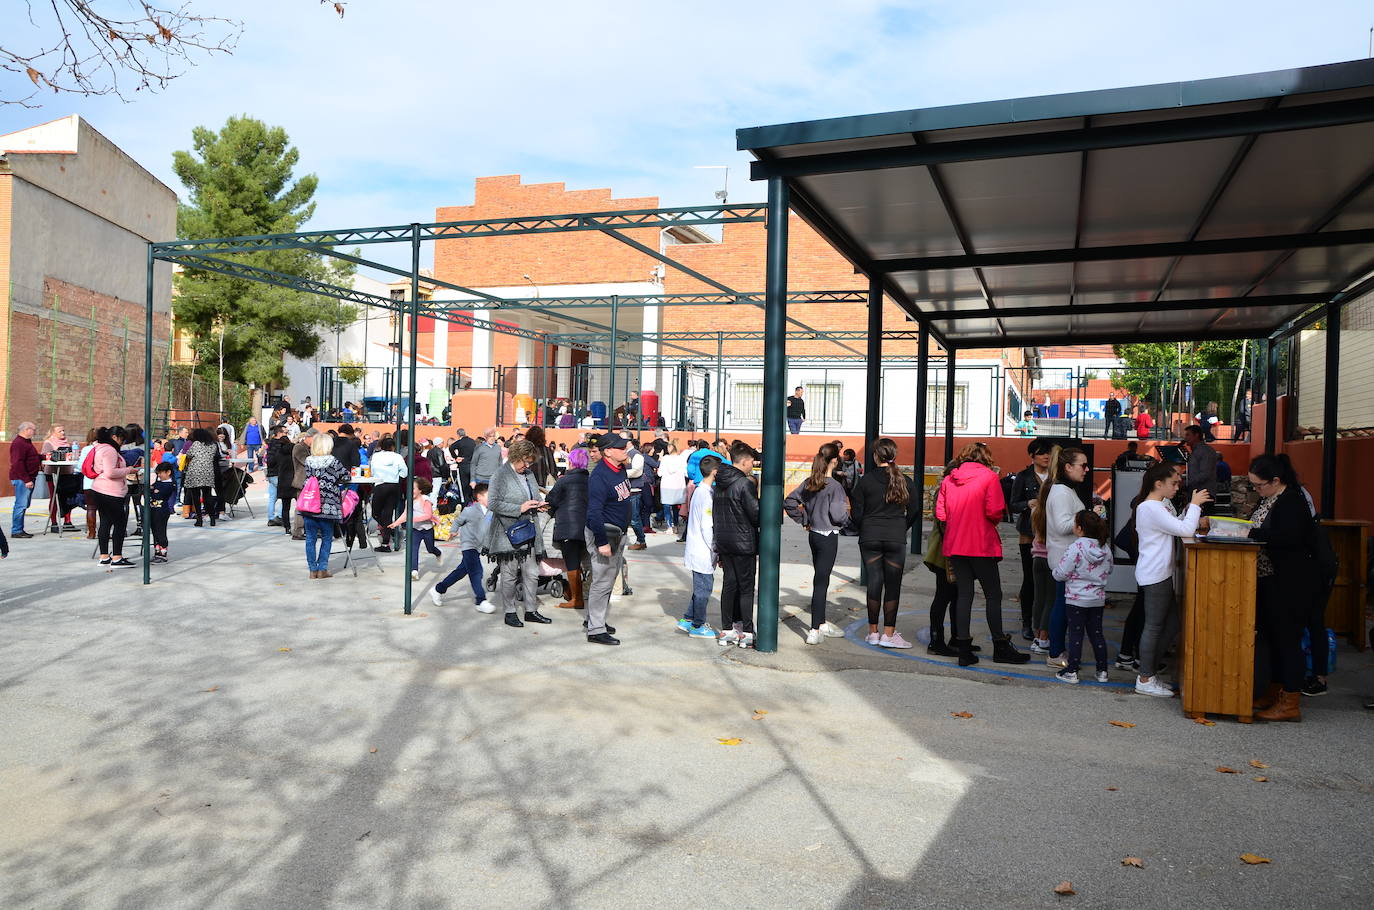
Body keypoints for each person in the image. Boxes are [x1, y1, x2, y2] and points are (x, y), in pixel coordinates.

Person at [937, 442, 1028, 665]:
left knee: (964, 595)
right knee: (993, 594)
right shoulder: (989, 478)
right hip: (981, 543)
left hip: (956, 543)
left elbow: (941, 513)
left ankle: (963, 648)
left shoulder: (949, 479)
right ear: (985, 457)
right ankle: (1000, 645)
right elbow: (995, 511)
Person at [1246, 454, 1320, 722]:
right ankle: (1275, 690)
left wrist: (1249, 533)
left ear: (1276, 480)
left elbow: (1288, 538)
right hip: (1268, 578)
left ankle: (1290, 699)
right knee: (1272, 636)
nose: (1256, 490)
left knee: (1288, 639)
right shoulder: (1270, 498)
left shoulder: (1292, 501)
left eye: (1259, 485)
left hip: (1290, 581)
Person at [1133, 461, 1209, 697]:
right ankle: (1145, 677)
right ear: (1159, 483)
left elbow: (1178, 525)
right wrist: (1195, 506)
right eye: (1173, 483)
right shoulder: (1150, 508)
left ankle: (1149, 674)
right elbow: (1185, 530)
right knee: (1154, 627)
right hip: (1155, 575)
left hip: (1159, 573)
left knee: (1171, 624)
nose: (1177, 487)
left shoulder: (1159, 505)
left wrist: (1189, 509)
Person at [784, 442, 851, 646]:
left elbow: (789, 502)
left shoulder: (810, 482)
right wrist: (847, 516)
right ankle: (814, 628)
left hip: (814, 534)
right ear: (833, 461)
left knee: (821, 578)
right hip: (829, 534)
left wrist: (805, 519)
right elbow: (838, 516)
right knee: (821, 582)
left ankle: (820, 623)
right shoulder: (835, 486)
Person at [483, 438, 552, 629]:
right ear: (515, 457)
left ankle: (531, 610)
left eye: (530, 461)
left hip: (529, 531)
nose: (527, 465)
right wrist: (519, 507)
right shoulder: (500, 475)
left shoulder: (529, 474)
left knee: (532, 573)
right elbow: (493, 504)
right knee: (509, 574)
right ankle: (510, 612)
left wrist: (538, 505)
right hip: (508, 533)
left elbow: (535, 496)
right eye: (525, 461)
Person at [1034, 446, 1090, 669]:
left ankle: (1057, 649)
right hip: (1064, 558)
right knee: (1061, 606)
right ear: (1068, 467)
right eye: (1082, 465)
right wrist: (1087, 517)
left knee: (1063, 605)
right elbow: (1062, 525)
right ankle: (1055, 651)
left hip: (1068, 557)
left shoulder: (1065, 491)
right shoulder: (1060, 492)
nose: (1086, 470)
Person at [1051, 510, 1114, 684]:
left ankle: (1072, 671)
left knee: (1076, 635)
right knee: (1097, 634)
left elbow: (1062, 572)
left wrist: (1055, 573)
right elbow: (1110, 569)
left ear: (1079, 528)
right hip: (1097, 598)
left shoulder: (1076, 547)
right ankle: (1102, 671)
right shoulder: (1104, 547)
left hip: (1076, 599)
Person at [584, 433, 634, 645]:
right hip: (604, 534)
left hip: (618, 533)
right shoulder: (599, 476)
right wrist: (602, 542)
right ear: (608, 452)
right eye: (621, 447)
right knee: (602, 582)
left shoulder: (619, 467)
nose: (626, 450)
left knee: (609, 579)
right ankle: (595, 630)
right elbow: (593, 513)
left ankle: (596, 620)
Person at [712, 441, 761, 649]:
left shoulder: (721, 483)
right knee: (746, 587)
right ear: (745, 461)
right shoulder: (744, 484)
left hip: (725, 540)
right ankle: (747, 632)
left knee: (729, 585)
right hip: (743, 542)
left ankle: (727, 629)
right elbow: (756, 514)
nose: (753, 465)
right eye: (752, 461)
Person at [1009, 439, 1052, 640]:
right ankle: (1027, 622)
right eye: (1042, 453)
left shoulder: (1056, 477)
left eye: (1048, 453)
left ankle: (1044, 623)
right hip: (1029, 534)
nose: (1046, 456)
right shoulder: (1024, 476)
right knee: (1030, 579)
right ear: (1032, 455)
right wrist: (1027, 503)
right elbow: (1013, 504)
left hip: (1052, 534)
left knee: (1050, 581)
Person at [429, 483, 494, 612]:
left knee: (461, 571)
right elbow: (458, 521)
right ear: (480, 497)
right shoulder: (470, 510)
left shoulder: (491, 512)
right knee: (477, 572)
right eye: (489, 496)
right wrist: (453, 531)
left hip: (479, 546)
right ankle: (481, 601)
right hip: (468, 545)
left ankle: (438, 589)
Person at [679, 454, 722, 639]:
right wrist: (715, 547)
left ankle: (689, 618)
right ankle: (697, 624)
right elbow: (707, 526)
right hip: (702, 549)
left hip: (698, 548)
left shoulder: (700, 490)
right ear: (714, 472)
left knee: (701, 587)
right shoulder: (705, 494)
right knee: (704, 588)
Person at [923, 460, 962, 657]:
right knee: (944, 596)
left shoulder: (947, 488)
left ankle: (957, 637)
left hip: (950, 549)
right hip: (945, 551)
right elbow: (944, 522)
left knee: (956, 596)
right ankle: (936, 641)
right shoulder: (946, 489)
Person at [299, 432, 351, 579]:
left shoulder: (309, 461)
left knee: (310, 538)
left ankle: (312, 570)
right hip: (327, 505)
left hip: (310, 503)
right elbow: (346, 476)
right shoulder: (333, 461)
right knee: (327, 537)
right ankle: (323, 569)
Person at [545, 447, 590, 610]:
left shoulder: (564, 480)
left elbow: (552, 500)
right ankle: (575, 594)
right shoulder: (590, 480)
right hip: (586, 527)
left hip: (568, 526)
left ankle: (576, 599)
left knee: (572, 563)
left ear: (571, 462)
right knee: (580, 562)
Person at [89, 425, 140, 566]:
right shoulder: (110, 450)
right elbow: (110, 472)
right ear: (114, 437)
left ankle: (104, 556)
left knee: (105, 522)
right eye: (121, 439)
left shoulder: (100, 448)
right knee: (119, 523)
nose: (122, 443)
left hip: (100, 489)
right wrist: (128, 470)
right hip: (110, 491)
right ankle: (117, 557)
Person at [389, 477, 441, 581]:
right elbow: (405, 514)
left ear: (420, 490)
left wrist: (413, 519)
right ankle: (414, 571)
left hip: (427, 529)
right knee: (413, 549)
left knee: (430, 548)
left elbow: (428, 515)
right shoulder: (409, 500)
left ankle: (438, 553)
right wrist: (396, 523)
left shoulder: (425, 499)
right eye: (410, 488)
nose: (411, 491)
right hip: (415, 530)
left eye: (413, 489)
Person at [369, 437, 408, 552]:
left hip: (380, 484)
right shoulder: (397, 457)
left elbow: (372, 470)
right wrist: (397, 478)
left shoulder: (376, 456)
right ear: (393, 447)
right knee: (388, 514)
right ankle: (387, 539)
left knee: (375, 513)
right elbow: (405, 472)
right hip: (394, 486)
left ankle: (389, 531)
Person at [40, 424, 79, 532]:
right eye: (60, 431)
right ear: (53, 433)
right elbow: (45, 456)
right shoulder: (48, 443)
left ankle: (67, 521)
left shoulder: (67, 443)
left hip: (66, 473)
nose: (63, 433)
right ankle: (54, 523)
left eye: (63, 430)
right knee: (54, 498)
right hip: (53, 473)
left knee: (68, 497)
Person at [182, 428, 221, 528]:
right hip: (208, 473)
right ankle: (212, 517)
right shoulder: (213, 445)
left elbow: (189, 455)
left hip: (195, 473)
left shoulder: (196, 444)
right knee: (207, 496)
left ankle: (199, 519)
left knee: (196, 497)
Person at [9, 420, 41, 538]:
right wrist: (26, 480)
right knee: (21, 505)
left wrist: (43, 457)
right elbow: (17, 463)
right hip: (22, 479)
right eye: (33, 429)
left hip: (28, 477)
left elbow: (31, 457)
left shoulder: (26, 442)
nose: (34, 432)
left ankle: (18, 529)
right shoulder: (19, 443)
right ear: (26, 430)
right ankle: (17, 530)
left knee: (23, 504)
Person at [149, 461, 177, 563]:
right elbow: (150, 490)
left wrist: (154, 491)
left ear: (168, 472)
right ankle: (157, 551)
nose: (159, 475)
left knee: (161, 530)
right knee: (154, 531)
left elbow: (159, 495)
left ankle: (163, 553)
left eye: (161, 473)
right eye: (158, 473)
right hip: (153, 509)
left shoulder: (171, 484)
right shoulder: (158, 482)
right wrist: (153, 491)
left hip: (162, 510)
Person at [1182, 425, 1218, 502]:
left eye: (1188, 435)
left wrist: (1186, 483)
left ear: (1196, 435)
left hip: (1204, 494)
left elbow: (1205, 474)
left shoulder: (1205, 451)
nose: (1185, 438)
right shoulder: (1195, 451)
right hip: (1195, 494)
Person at [657, 441, 688, 531]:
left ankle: (669, 526)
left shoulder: (665, 459)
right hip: (678, 485)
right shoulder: (681, 459)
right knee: (676, 506)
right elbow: (686, 473)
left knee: (666, 506)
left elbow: (660, 473)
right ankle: (676, 525)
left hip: (666, 485)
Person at [624, 440, 648, 550]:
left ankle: (641, 540)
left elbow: (637, 471)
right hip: (624, 489)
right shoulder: (623, 453)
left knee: (634, 518)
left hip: (634, 489)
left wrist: (621, 473)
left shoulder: (636, 455)